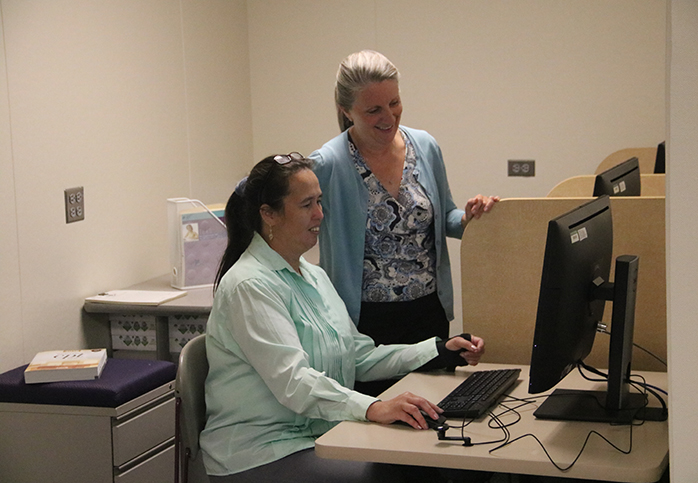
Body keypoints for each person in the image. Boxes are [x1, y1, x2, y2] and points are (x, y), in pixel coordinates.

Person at [200, 153, 486, 483]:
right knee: (390, 474)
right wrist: (372, 408)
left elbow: (359, 356)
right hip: (261, 451)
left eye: (320, 201)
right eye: (307, 204)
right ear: (269, 214)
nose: (320, 214)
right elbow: (294, 382)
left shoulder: (313, 276)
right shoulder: (249, 285)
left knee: (423, 462)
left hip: (319, 436)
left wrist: (438, 350)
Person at [309, 50, 500, 359]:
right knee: (379, 405)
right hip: (363, 321)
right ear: (347, 111)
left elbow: (446, 217)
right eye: (373, 110)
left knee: (434, 404)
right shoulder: (328, 162)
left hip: (428, 311)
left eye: (394, 103)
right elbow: (256, 191)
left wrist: (470, 219)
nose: (389, 117)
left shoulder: (424, 146)